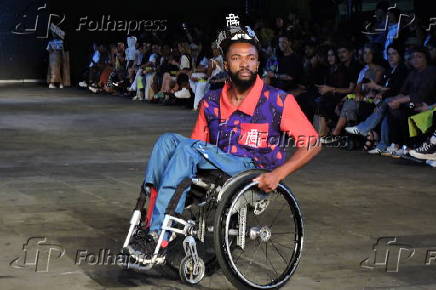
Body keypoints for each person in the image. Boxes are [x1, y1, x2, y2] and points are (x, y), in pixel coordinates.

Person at [126, 23, 321, 262]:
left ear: (258, 64)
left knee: (188, 148)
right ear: (226, 65)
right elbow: (197, 145)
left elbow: (312, 142)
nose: (245, 64)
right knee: (167, 141)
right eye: (237, 58)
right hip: (219, 163)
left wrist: (279, 174)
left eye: (251, 58)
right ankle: (147, 223)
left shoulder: (278, 100)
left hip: (252, 169)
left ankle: (160, 234)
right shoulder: (211, 101)